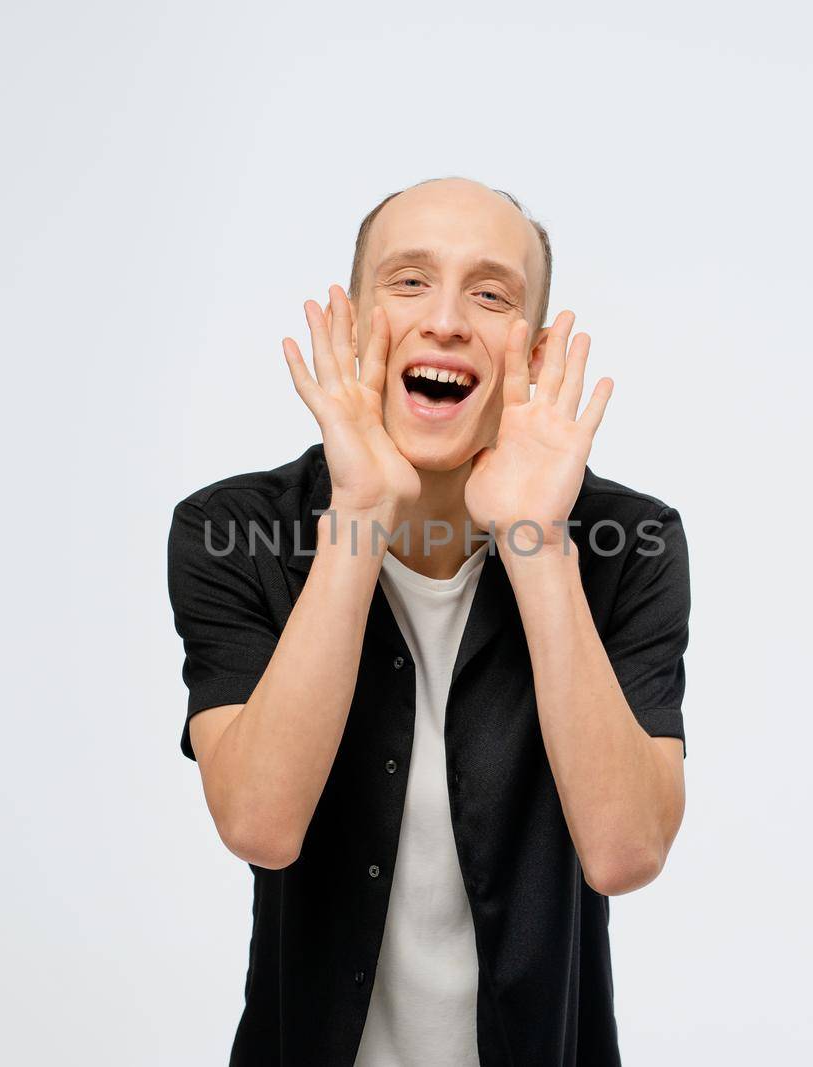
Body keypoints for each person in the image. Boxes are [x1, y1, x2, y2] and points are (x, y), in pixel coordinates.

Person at [167, 176, 691, 1066]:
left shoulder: (628, 545)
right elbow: (260, 821)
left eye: (490, 294)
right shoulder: (231, 531)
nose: (446, 319)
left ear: (531, 346)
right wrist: (361, 513)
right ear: (352, 318)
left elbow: (626, 850)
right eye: (409, 280)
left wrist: (535, 541)